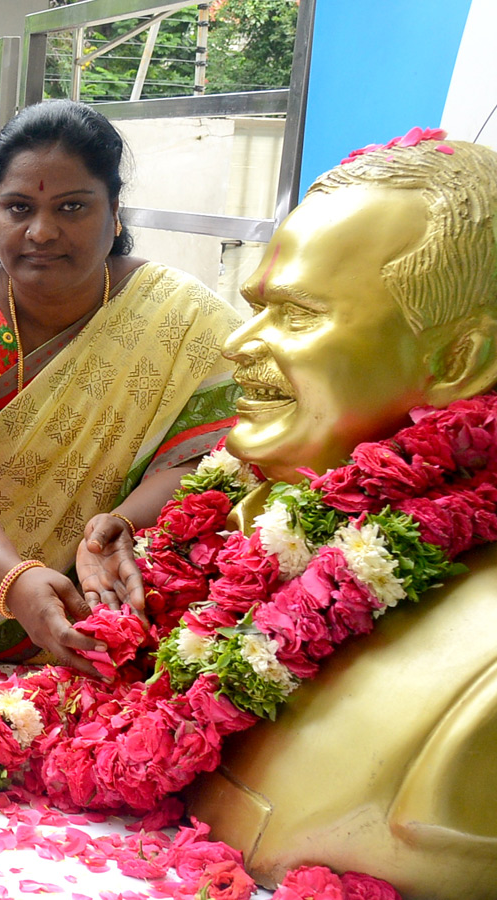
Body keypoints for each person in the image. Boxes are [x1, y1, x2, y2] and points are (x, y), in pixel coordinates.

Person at [184, 136, 497, 899]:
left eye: (296, 316)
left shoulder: (481, 662)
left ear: (458, 360)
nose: (239, 342)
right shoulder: (249, 525)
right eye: (259, 306)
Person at [0, 100, 241, 670]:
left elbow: (207, 455)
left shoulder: (180, 315)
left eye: (72, 206)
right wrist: (15, 582)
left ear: (115, 212)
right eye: (18, 207)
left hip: (119, 620)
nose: (42, 232)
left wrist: (124, 522)